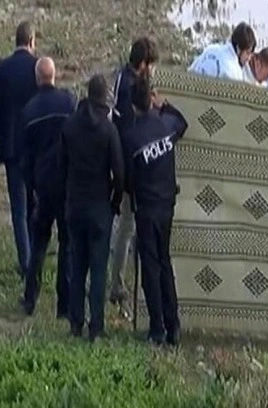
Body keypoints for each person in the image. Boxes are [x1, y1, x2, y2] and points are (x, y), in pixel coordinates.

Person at [124, 78, 188, 346]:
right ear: (151, 99)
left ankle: (157, 328)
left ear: (132, 106)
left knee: (150, 268)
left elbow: (127, 179)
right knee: (164, 262)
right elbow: (183, 123)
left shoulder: (131, 137)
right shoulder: (167, 124)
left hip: (147, 209)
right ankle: (174, 326)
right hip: (167, 206)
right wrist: (165, 105)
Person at [61, 74, 125, 341]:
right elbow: (119, 173)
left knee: (77, 265)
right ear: (104, 97)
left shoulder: (70, 125)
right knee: (98, 269)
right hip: (100, 206)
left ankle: (75, 322)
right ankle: (95, 326)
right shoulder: (108, 130)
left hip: (75, 203)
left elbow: (61, 165)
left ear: (88, 94)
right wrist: (115, 202)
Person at [19, 57, 77, 317]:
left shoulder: (29, 110)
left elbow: (25, 157)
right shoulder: (68, 103)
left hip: (43, 184)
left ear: (36, 78)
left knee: (39, 243)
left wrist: (31, 186)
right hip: (66, 183)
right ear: (54, 75)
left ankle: (30, 298)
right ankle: (64, 305)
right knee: (66, 244)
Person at [108, 37, 159, 311]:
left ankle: (118, 280)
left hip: (120, 164)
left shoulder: (120, 77)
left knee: (125, 228)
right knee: (127, 228)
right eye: (151, 65)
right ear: (143, 64)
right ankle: (117, 284)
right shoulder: (132, 90)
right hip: (132, 170)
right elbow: (133, 132)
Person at [0, 21, 39, 278]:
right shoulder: (39, 68)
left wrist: (2, 132)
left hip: (11, 147)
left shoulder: (1, 69)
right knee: (34, 205)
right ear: (31, 41)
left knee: (18, 208)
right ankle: (35, 257)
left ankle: (25, 262)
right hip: (34, 149)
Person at [187, 22, 257, 81]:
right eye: (247, 53)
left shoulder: (211, 49)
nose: (249, 58)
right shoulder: (234, 72)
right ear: (238, 48)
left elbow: (190, 71)